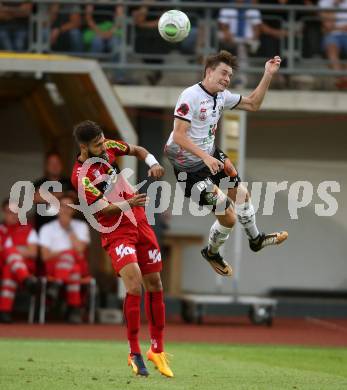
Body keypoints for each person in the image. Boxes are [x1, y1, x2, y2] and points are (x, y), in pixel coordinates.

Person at [164, 50, 288, 277]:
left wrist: (268, 74)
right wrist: (205, 157)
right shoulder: (189, 96)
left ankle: (256, 239)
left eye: (229, 75)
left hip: (210, 154)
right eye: (223, 73)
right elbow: (179, 136)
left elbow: (253, 104)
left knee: (242, 194)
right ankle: (212, 252)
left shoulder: (222, 96)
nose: (227, 79)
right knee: (228, 216)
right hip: (189, 166)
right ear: (209, 71)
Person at [71, 120, 173, 377]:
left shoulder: (108, 146)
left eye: (103, 139)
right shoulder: (80, 176)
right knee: (134, 284)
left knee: (155, 283)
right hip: (116, 229)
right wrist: (129, 202)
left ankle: (157, 350)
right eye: (97, 144)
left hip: (139, 220)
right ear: (84, 147)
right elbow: (103, 208)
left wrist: (153, 163)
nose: (103, 146)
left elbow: (137, 150)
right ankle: (134, 351)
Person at [39, 195, 90, 324]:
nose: (65, 210)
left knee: (73, 259)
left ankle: (57, 284)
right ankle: (74, 309)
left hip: (77, 262)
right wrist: (64, 253)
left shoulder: (81, 226)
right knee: (74, 270)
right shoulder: (47, 228)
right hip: (54, 266)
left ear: (74, 210)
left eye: (69, 207)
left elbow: (79, 250)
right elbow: (45, 256)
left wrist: (69, 228)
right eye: (62, 206)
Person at [0, 199, 39, 323]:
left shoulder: (28, 229)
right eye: (8, 211)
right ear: (3, 212)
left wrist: (9, 250)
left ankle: (4, 311)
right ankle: (26, 280)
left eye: (15, 212)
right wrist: (19, 250)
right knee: (9, 254)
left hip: (25, 267)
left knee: (9, 268)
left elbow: (33, 253)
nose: (12, 214)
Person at [33, 151, 75, 231]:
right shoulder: (39, 183)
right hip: (42, 229)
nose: (54, 166)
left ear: (62, 165)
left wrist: (46, 195)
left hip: (66, 228)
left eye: (57, 163)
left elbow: (73, 198)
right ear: (46, 166)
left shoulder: (70, 182)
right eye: (51, 163)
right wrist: (64, 194)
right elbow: (36, 198)